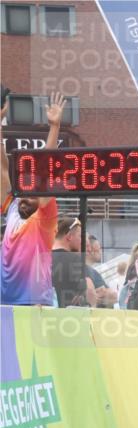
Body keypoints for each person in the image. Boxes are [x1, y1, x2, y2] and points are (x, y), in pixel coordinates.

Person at [1, 92, 65, 305]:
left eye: (31, 195)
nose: (23, 199)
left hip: (34, 304)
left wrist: (54, 127)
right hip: (5, 304)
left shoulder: (44, 219)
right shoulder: (11, 208)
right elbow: (2, 167)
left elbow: (46, 170)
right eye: (22, 194)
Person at [50, 217, 95, 307]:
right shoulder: (76, 260)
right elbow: (90, 291)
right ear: (69, 236)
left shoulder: (41, 258)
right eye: (80, 236)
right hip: (70, 317)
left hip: (43, 316)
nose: (81, 241)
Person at [85, 234, 116, 308]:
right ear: (91, 250)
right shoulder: (91, 272)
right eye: (99, 249)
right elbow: (112, 295)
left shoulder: (92, 272)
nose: (101, 251)